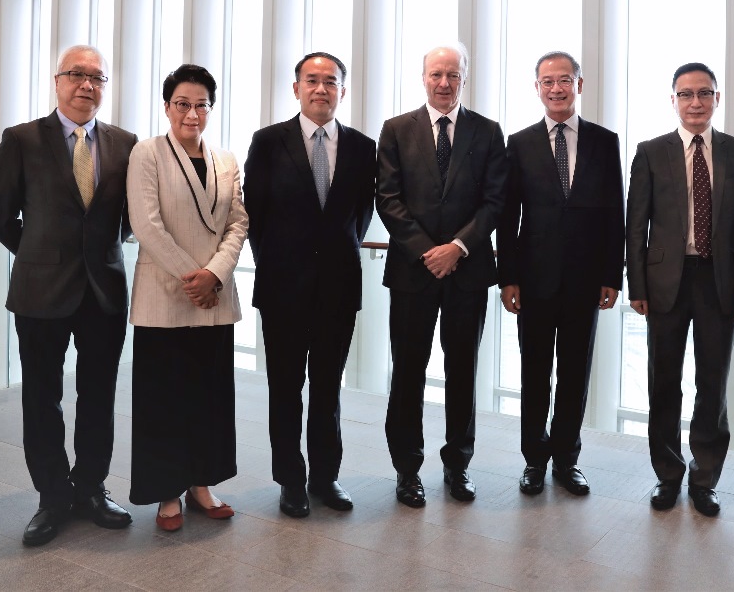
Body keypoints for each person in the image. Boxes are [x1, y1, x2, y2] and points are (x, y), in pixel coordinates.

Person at [0, 45, 137, 547]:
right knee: (42, 397)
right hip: (40, 291)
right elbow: (0, 216)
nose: (87, 84)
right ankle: (52, 497)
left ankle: (91, 488)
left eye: (97, 77)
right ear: (57, 81)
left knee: (99, 395)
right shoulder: (23, 139)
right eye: (77, 74)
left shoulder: (125, 144)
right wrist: (36, 254)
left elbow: (132, 220)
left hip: (104, 291)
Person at [626, 62, 734, 516]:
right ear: (674, 101)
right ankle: (668, 475)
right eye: (686, 94)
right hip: (665, 281)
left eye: (704, 93)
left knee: (713, 383)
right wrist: (637, 284)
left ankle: (705, 479)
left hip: (719, 281)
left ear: (717, 99)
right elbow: (635, 227)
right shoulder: (650, 152)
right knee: (663, 382)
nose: (695, 103)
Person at [244, 52, 376, 519]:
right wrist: (279, 265)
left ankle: (325, 477)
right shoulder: (268, 141)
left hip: (339, 287)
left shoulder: (363, 147)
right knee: (285, 386)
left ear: (343, 90)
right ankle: (291, 481)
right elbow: (253, 214)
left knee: (327, 388)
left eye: (331, 82)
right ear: (296, 88)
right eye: (312, 81)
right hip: (282, 289)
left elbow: (360, 216)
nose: (321, 89)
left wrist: (334, 255)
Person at [377, 42, 508, 506]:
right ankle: (407, 469)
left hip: (467, 272)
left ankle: (458, 467)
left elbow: (495, 201)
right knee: (408, 372)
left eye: (453, 75)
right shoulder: (396, 130)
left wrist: (456, 247)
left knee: (463, 371)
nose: (444, 82)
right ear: (424, 76)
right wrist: (427, 251)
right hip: (413, 273)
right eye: (437, 74)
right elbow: (388, 199)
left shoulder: (489, 133)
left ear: (464, 79)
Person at [125, 64, 248, 532]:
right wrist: (190, 276)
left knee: (209, 398)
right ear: (166, 107)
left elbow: (239, 221)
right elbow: (146, 223)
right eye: (183, 104)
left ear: (210, 109)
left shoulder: (226, 159)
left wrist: (214, 274)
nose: (192, 114)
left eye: (201, 105)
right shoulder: (148, 153)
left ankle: (201, 485)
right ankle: (167, 492)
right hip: (165, 293)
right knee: (164, 399)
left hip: (213, 295)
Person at [497, 51, 623, 497]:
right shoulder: (520, 142)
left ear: (579, 85)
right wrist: (507, 277)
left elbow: (615, 213)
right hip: (533, 281)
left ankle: (567, 460)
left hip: (586, 280)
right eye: (547, 81)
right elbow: (507, 216)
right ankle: (534, 460)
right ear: (537, 88)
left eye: (564, 80)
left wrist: (612, 274)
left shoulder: (605, 142)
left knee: (575, 373)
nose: (556, 88)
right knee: (534, 372)